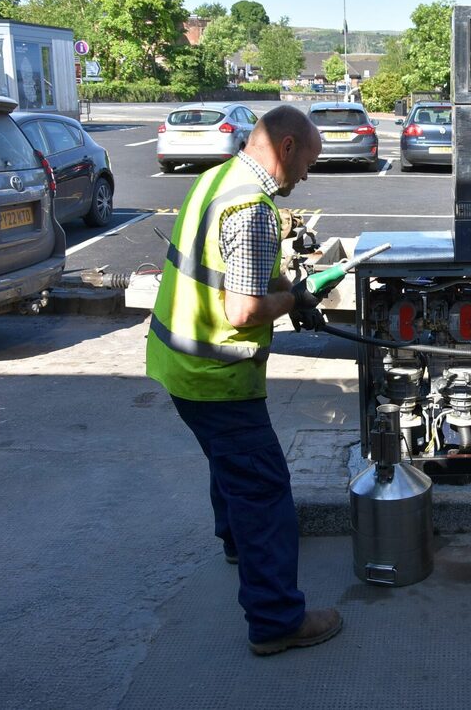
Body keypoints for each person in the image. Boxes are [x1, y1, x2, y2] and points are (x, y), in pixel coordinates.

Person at [145, 105, 343, 656]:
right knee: (263, 488)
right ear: (285, 146)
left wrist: (287, 285)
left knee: (228, 465)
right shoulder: (252, 210)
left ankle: (235, 544)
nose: (307, 175)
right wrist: (291, 299)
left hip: (177, 361)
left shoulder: (220, 179)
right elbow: (244, 309)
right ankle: (277, 620)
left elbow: (246, 268)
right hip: (216, 373)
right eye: (308, 161)